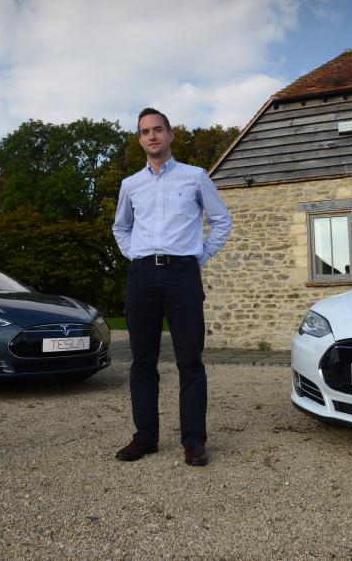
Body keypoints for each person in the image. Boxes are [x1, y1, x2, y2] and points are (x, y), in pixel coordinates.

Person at [112, 107, 231, 466]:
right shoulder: (131, 184)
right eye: (145, 131)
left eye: (158, 129)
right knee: (142, 361)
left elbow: (221, 221)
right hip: (142, 276)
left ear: (170, 134)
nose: (152, 136)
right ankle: (145, 437)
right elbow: (121, 227)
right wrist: (135, 254)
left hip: (183, 274)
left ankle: (194, 440)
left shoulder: (195, 177)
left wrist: (199, 256)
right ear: (140, 139)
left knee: (190, 360)